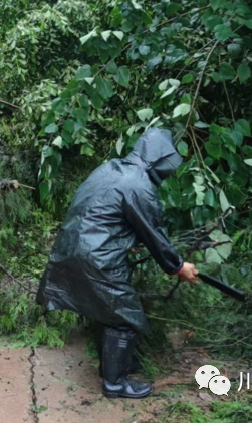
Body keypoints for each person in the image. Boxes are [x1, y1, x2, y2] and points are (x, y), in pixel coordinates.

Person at [36, 127, 200, 400]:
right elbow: (154, 234)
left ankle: (116, 362)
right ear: (159, 159)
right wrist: (178, 266)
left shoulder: (109, 169)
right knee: (125, 316)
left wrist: (124, 237)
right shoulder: (139, 185)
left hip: (71, 249)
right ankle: (115, 382)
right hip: (98, 258)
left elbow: (101, 211)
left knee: (108, 310)